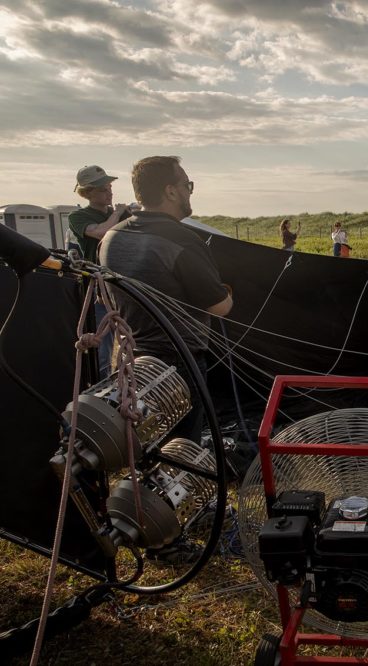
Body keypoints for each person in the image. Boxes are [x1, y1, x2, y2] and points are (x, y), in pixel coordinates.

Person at [100, 156, 232, 564]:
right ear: (171, 191)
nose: (191, 191)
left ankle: (144, 517)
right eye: (187, 184)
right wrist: (227, 290)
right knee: (179, 449)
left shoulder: (112, 237)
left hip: (129, 360)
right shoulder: (182, 239)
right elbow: (220, 304)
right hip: (179, 362)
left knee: (144, 447)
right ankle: (165, 539)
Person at [69, 165, 134, 375]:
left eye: (109, 187)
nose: (109, 192)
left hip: (122, 286)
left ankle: (127, 384)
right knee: (102, 346)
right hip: (99, 290)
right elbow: (101, 233)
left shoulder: (122, 214)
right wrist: (117, 213)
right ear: (87, 193)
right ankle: (102, 390)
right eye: (102, 189)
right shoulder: (78, 217)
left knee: (132, 341)